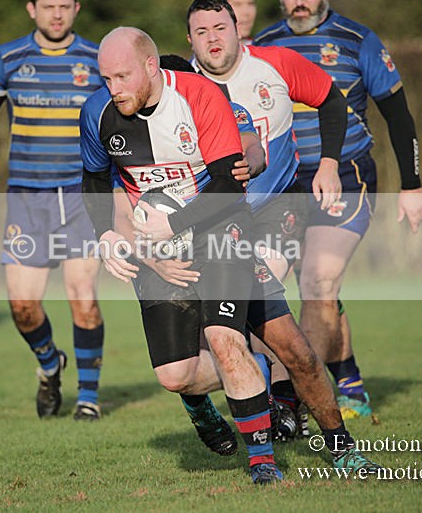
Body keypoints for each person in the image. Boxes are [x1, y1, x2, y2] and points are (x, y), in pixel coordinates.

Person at [110, 51, 380, 473]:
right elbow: (119, 210)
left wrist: (243, 167)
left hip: (228, 248)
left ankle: (342, 448)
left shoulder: (219, 106)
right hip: (169, 261)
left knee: (295, 353)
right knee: (179, 373)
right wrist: (148, 256)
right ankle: (209, 403)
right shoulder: (130, 138)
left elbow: (253, 151)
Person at [82, 25, 285, 484]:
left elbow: (231, 185)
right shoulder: (96, 113)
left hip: (219, 232)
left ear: (150, 66)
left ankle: (263, 462)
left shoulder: (200, 97)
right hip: (158, 247)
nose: (113, 89)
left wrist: (172, 224)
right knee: (175, 375)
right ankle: (244, 379)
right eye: (106, 78)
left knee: (224, 340)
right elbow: (94, 179)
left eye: (122, 77)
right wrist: (106, 237)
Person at [254, 0, 422, 419]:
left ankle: (291, 399)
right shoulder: (263, 46)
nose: (299, 1)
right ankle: (347, 380)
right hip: (285, 183)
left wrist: (412, 185)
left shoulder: (357, 40)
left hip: (346, 176)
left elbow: (398, 115)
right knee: (300, 290)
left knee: (318, 281)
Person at [0, 0, 105, 421]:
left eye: (65, 7)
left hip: (81, 197)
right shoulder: (7, 59)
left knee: (83, 296)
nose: (57, 15)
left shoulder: (97, 60)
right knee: (23, 307)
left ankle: (88, 398)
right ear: (32, 9)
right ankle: (50, 364)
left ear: (77, 8)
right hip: (26, 198)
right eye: (48, 7)